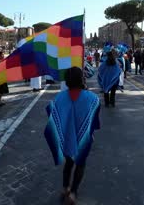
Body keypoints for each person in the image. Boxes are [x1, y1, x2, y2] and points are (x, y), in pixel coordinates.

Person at [44, 67, 100, 204]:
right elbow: (95, 121)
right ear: (82, 78)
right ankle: (73, 193)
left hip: (67, 138)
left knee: (69, 163)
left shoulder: (60, 97)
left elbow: (52, 113)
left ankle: (65, 188)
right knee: (80, 164)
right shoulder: (92, 98)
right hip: (84, 139)